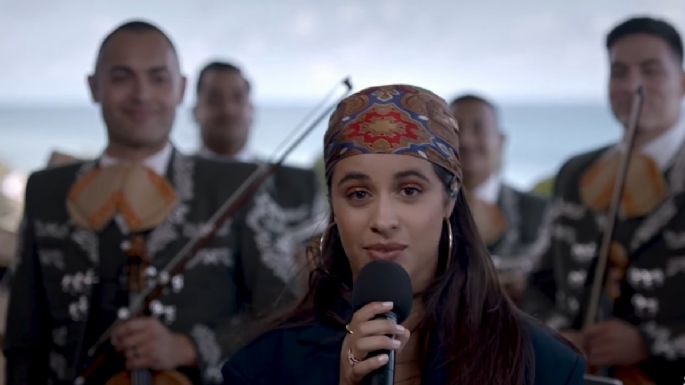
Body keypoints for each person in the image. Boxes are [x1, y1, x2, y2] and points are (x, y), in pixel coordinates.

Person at [3, 20, 321, 385]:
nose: (142, 94)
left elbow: (287, 310)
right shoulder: (46, 190)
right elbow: (23, 339)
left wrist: (193, 347)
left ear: (181, 88)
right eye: (122, 77)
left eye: (158, 78)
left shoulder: (239, 183)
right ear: (94, 87)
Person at [222, 84, 585, 385]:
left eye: (409, 190)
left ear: (449, 199)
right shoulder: (261, 368)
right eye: (358, 194)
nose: (383, 220)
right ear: (334, 206)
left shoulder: (542, 364)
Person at [525, 16, 685, 384]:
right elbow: (539, 278)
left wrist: (648, 342)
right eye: (619, 73)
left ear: (682, 82)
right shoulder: (577, 173)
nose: (633, 86)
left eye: (651, 70)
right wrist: (558, 335)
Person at [450, 95, 546, 301]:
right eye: (455, 131)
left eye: (478, 128)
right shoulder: (424, 213)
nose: (466, 140)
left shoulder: (540, 211)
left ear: (500, 140)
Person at [193, 61, 255, 161]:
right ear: (195, 111)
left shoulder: (278, 175)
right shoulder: (169, 174)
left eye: (238, 98)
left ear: (252, 109)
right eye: (215, 99)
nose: (228, 110)